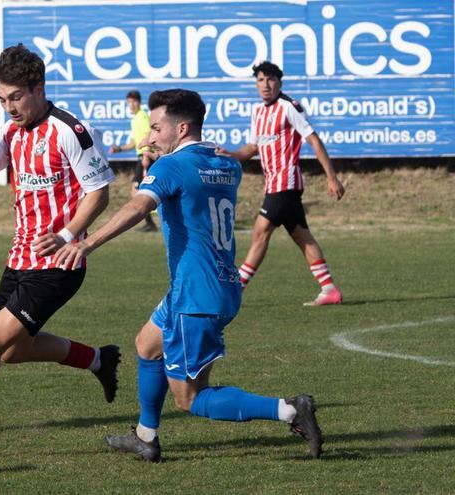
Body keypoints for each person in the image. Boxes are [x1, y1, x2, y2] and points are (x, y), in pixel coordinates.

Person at [55, 89, 323, 461]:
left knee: (191, 399)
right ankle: (146, 436)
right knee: (147, 344)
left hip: (195, 296)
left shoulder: (172, 167)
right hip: (218, 286)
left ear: (181, 128)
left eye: (156, 128)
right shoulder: (225, 164)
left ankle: (291, 409)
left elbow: (138, 206)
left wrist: (87, 242)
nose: (150, 136)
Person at [0, 44, 121, 419]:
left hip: (58, 264)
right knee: (11, 352)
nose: (10, 107)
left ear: (39, 88)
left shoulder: (69, 131)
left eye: (16, 97)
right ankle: (100, 359)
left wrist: (68, 235)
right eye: (3, 98)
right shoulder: (12, 133)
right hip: (19, 258)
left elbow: (99, 193)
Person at [220, 61, 345, 306]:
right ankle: (329, 289)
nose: (265, 85)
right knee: (302, 236)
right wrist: (230, 155)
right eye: (260, 80)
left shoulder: (289, 107)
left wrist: (332, 177)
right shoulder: (258, 112)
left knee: (260, 232)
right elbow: (252, 148)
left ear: (279, 82)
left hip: (286, 182)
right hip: (274, 184)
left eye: (270, 79)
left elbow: (314, 141)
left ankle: (235, 291)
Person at [109, 90, 157, 231]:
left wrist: (147, 155)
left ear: (139, 102)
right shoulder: (135, 119)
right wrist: (119, 149)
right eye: (129, 102)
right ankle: (150, 223)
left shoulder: (142, 116)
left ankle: (150, 223)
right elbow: (133, 143)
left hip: (145, 157)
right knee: (137, 191)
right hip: (141, 157)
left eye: (134, 101)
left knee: (138, 191)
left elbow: (149, 135)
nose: (131, 105)